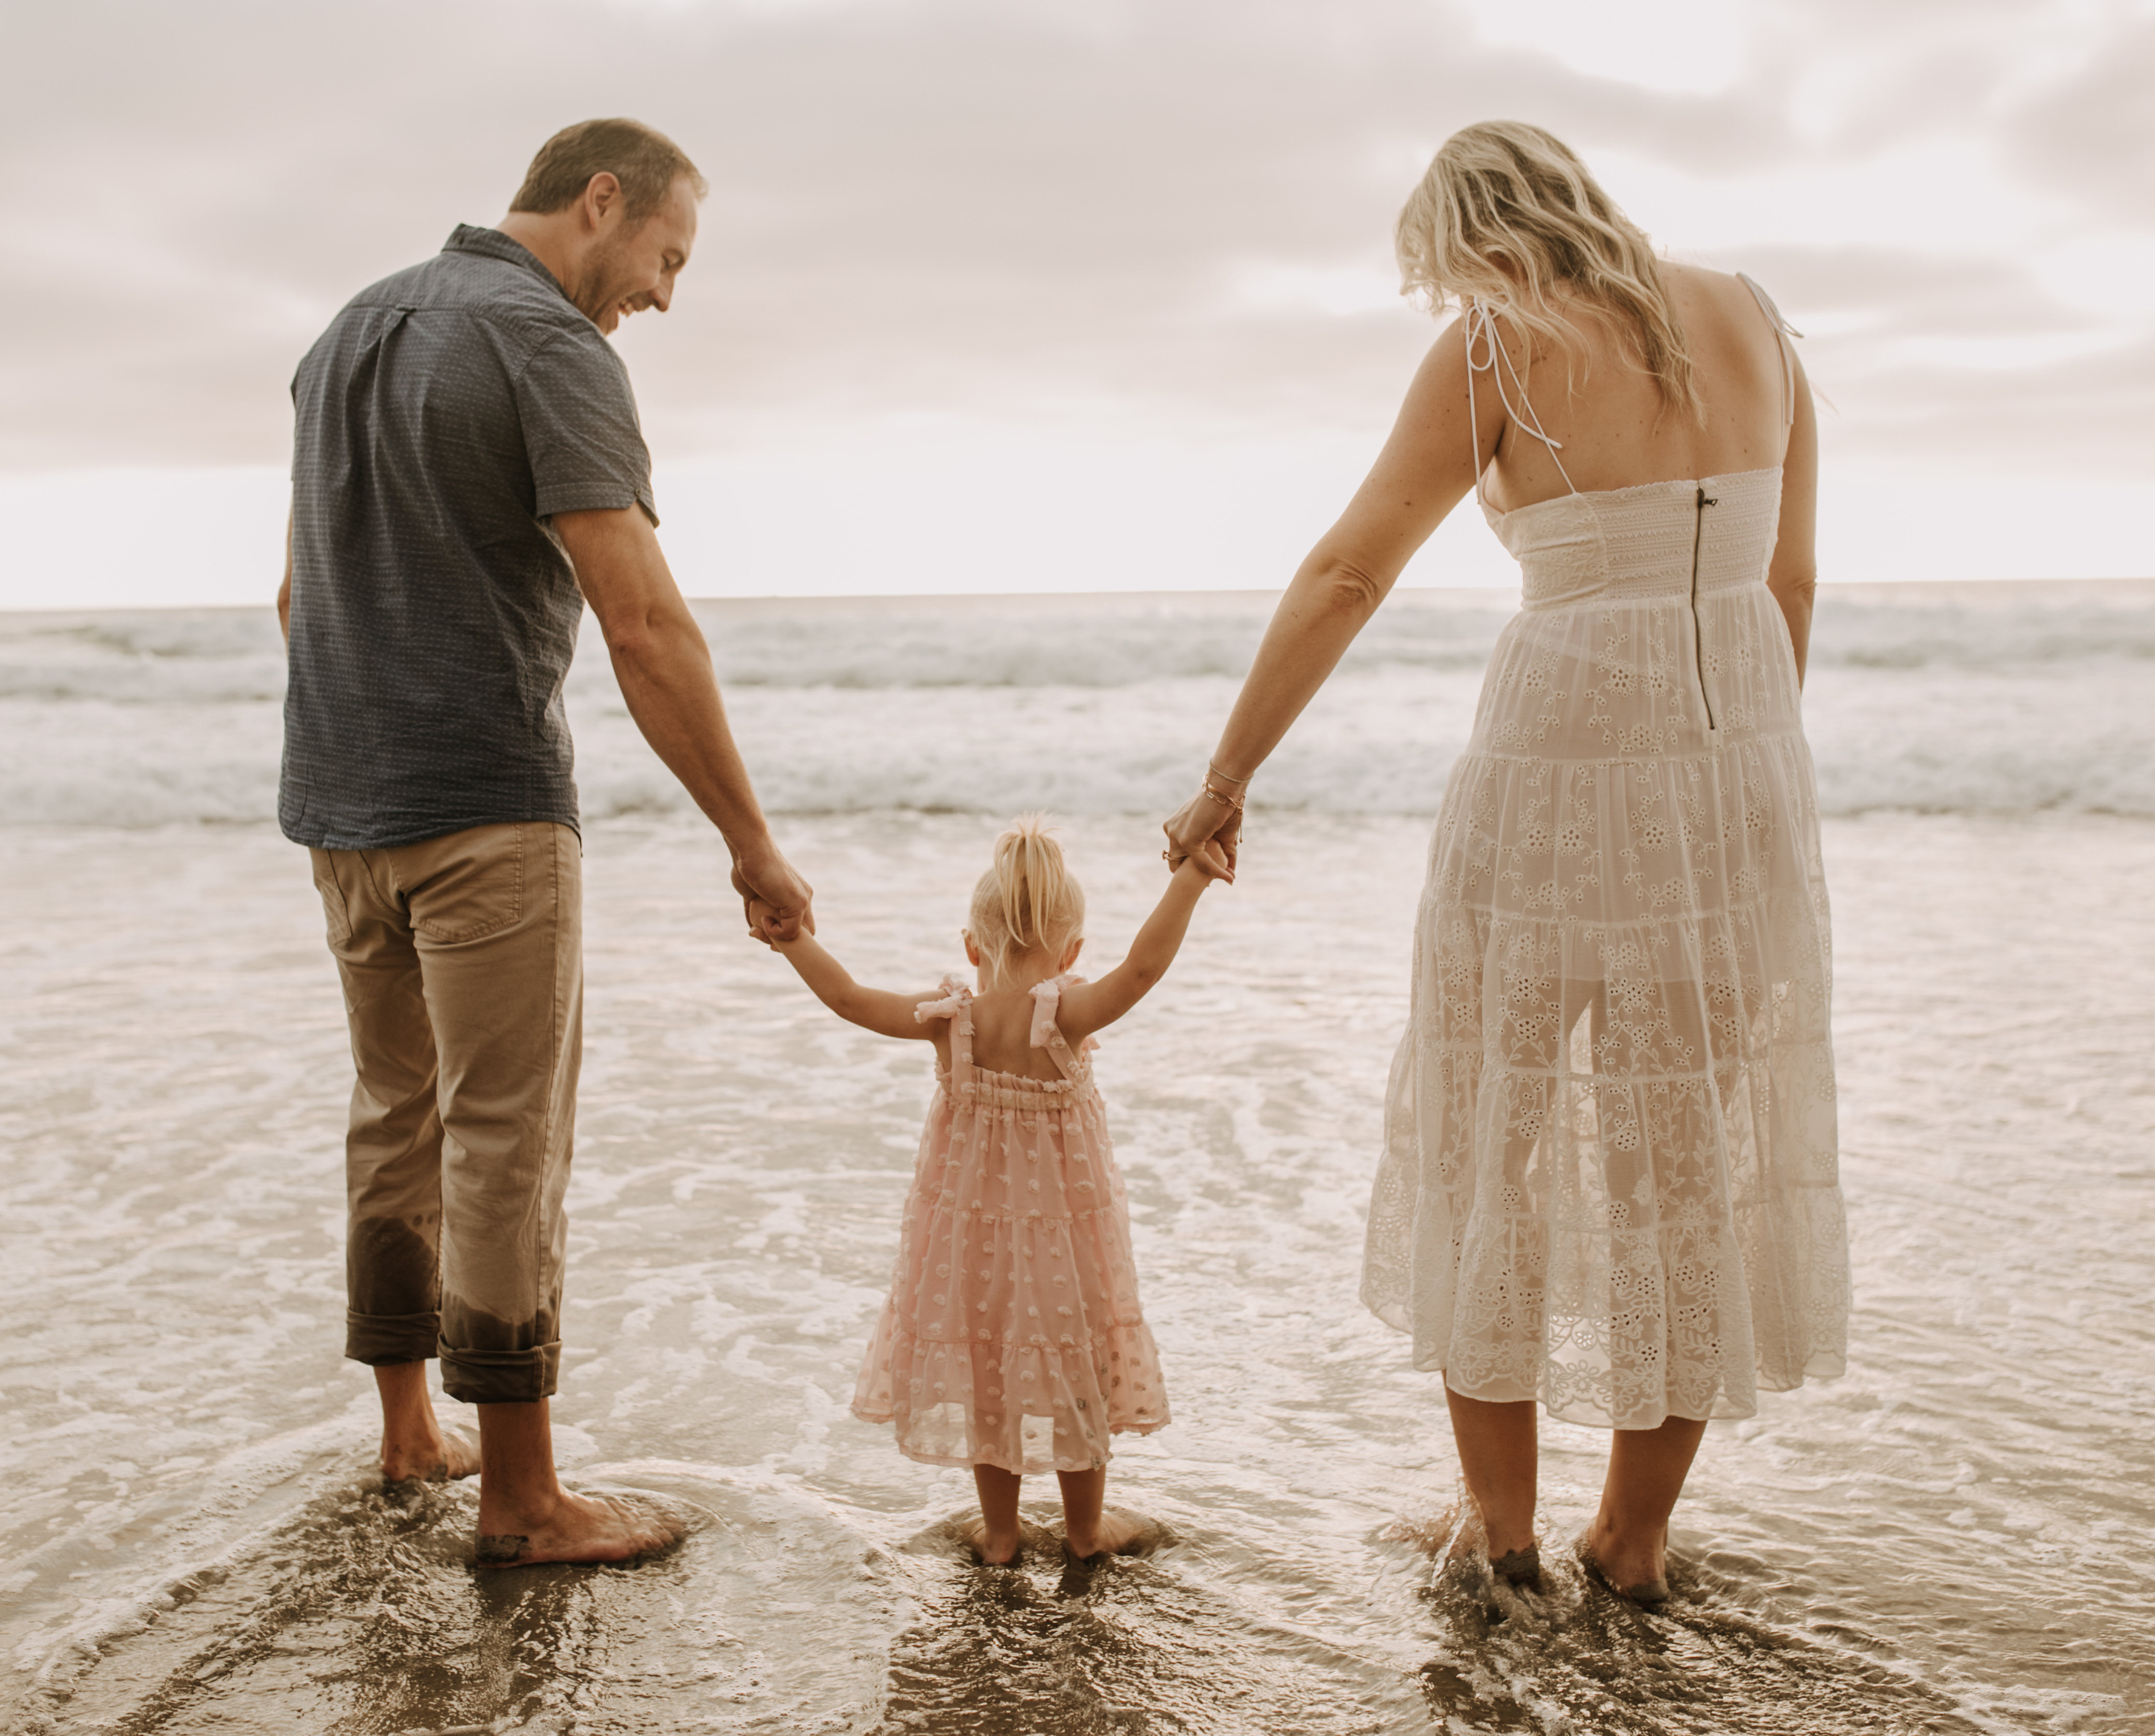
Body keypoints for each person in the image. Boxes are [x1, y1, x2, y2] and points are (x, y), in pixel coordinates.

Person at [1163, 120, 1848, 1606]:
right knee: (1683, 1168)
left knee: (1496, 1141)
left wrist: (1227, 776)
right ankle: (1638, 1540)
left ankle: (1508, 1532)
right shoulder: (1760, 320)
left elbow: (1352, 570)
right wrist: (1743, 785)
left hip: (1551, 791)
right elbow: (1788, 582)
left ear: (1473, 242)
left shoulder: (1494, 348)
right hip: (1738, 792)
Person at [276, 118, 813, 1568]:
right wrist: (751, 843)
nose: (664, 291)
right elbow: (641, 620)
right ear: (600, 202)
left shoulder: (347, 333)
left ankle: (407, 1436)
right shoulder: (550, 348)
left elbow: (294, 595)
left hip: (339, 803)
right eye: (667, 254)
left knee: (397, 1111)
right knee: (508, 1142)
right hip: (486, 805)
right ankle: (522, 1500)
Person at [763, 816, 1224, 1563]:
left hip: (967, 1236)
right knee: (1075, 1360)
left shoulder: (952, 1021)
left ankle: (1003, 1537)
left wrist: (793, 939)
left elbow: (847, 997)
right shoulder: (1065, 1017)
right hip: (1065, 1235)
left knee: (985, 1359)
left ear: (971, 947)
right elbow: (1141, 970)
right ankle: (1084, 1531)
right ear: (1073, 952)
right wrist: (1192, 877)